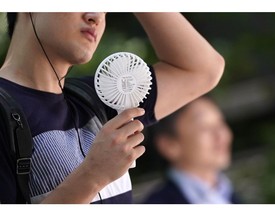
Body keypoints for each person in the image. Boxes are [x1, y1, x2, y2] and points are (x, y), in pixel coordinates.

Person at [0, 13, 224, 204]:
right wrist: (92, 176)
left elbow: (203, 69)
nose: (96, 16)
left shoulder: (100, 99)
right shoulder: (5, 112)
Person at [144, 96, 240, 204]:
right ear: (169, 145)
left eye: (220, 123)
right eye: (205, 127)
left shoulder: (232, 197)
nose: (221, 135)